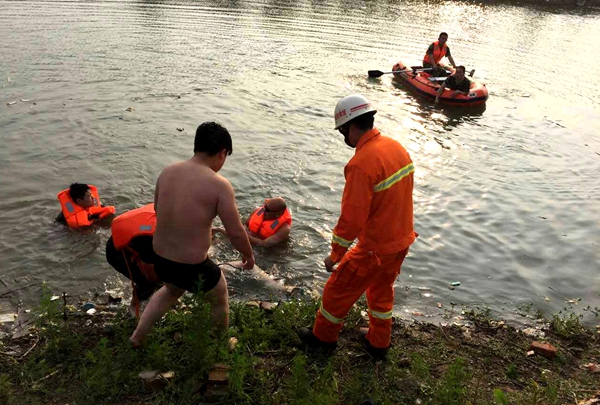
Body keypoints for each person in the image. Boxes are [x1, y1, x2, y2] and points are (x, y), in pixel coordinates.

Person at [298, 94, 417, 358]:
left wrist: (336, 254)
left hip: (375, 248)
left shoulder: (361, 164)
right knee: (381, 293)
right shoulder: (396, 147)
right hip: (400, 241)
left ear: (351, 127)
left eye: (343, 132)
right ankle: (379, 342)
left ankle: (322, 341)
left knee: (336, 291)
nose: (344, 139)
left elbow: (352, 218)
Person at [130, 121, 255, 347]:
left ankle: (138, 336)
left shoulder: (167, 172)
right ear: (223, 152)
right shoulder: (220, 185)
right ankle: (220, 344)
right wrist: (248, 255)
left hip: (160, 258)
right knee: (220, 295)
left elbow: (158, 209)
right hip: (191, 266)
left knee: (171, 289)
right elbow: (236, 232)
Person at [105, 203, 161, 317]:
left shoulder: (173, 215)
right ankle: (133, 312)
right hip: (117, 251)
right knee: (148, 282)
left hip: (136, 240)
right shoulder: (149, 239)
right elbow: (151, 276)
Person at [213, 197, 292, 247]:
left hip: (265, 252)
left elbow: (264, 244)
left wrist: (242, 235)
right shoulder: (257, 211)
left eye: (267, 210)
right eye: (264, 205)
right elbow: (242, 227)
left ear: (278, 214)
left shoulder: (284, 229)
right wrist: (219, 229)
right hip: (249, 238)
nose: (263, 210)